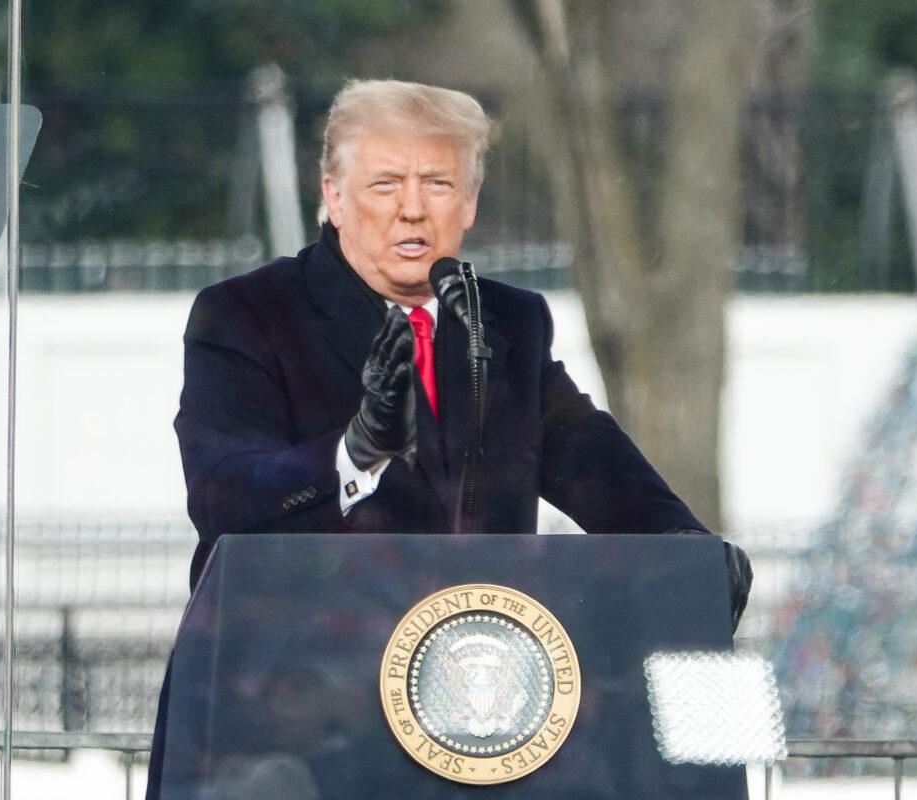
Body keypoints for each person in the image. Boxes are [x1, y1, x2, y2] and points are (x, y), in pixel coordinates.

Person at [149, 77, 752, 800]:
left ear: (468, 204)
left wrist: (686, 553)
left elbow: (591, 459)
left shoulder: (506, 327)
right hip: (293, 730)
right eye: (384, 183)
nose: (412, 207)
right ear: (333, 195)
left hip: (478, 718)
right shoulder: (246, 314)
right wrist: (352, 455)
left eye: (438, 182)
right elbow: (222, 496)